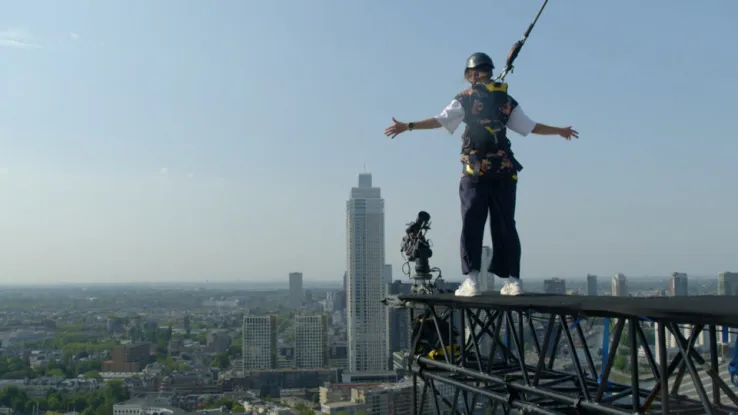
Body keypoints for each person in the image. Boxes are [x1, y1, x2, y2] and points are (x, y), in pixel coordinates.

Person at [384, 52, 578, 297]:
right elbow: (530, 127)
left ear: (471, 74)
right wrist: (559, 131)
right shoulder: (505, 99)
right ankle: (514, 280)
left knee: (472, 223)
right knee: (506, 224)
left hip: (474, 173)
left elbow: (439, 121)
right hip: (504, 173)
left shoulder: (465, 99)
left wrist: (407, 126)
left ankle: (473, 280)